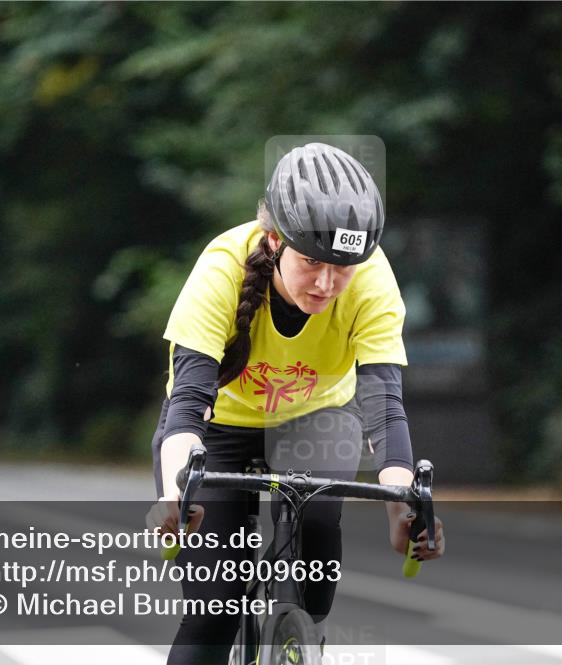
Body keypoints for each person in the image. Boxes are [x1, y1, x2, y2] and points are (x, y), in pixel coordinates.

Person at [146, 142, 446, 664]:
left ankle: (295, 638)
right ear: (273, 240)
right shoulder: (221, 270)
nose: (328, 283)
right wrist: (178, 492)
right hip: (216, 428)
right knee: (214, 610)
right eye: (312, 262)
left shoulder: (373, 279)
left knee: (317, 544)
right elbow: (188, 404)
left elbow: (382, 404)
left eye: (343, 266)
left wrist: (403, 505)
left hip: (317, 420)